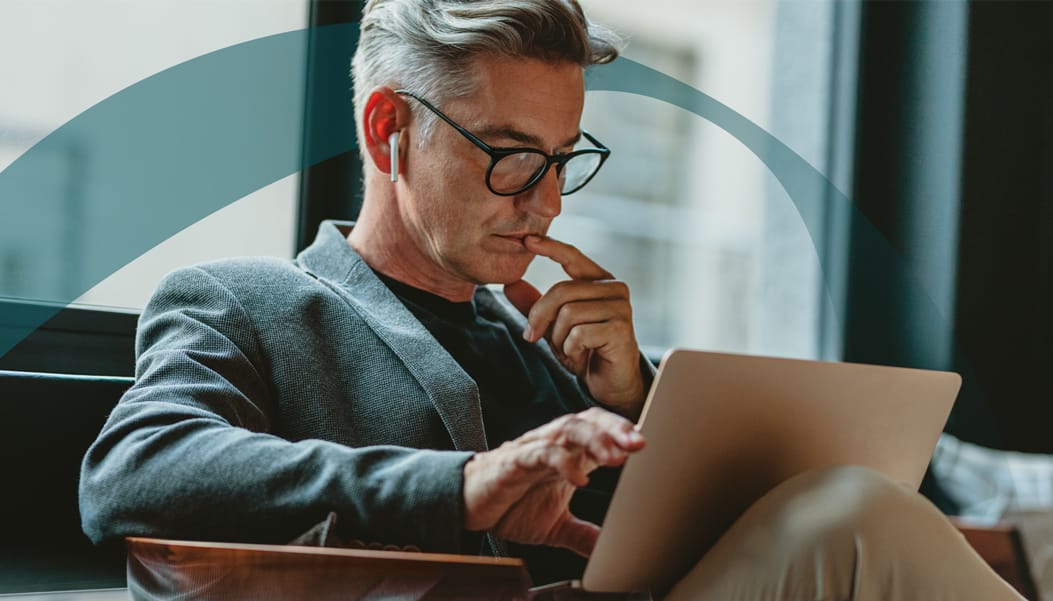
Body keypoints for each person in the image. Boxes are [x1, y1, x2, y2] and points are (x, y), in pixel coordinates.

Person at [79, 1, 1026, 598]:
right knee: (853, 518)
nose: (546, 199)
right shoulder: (248, 302)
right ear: (389, 130)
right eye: (509, 155)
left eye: (563, 159)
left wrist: (637, 400)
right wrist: (458, 487)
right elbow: (133, 469)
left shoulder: (555, 342)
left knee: (882, 513)